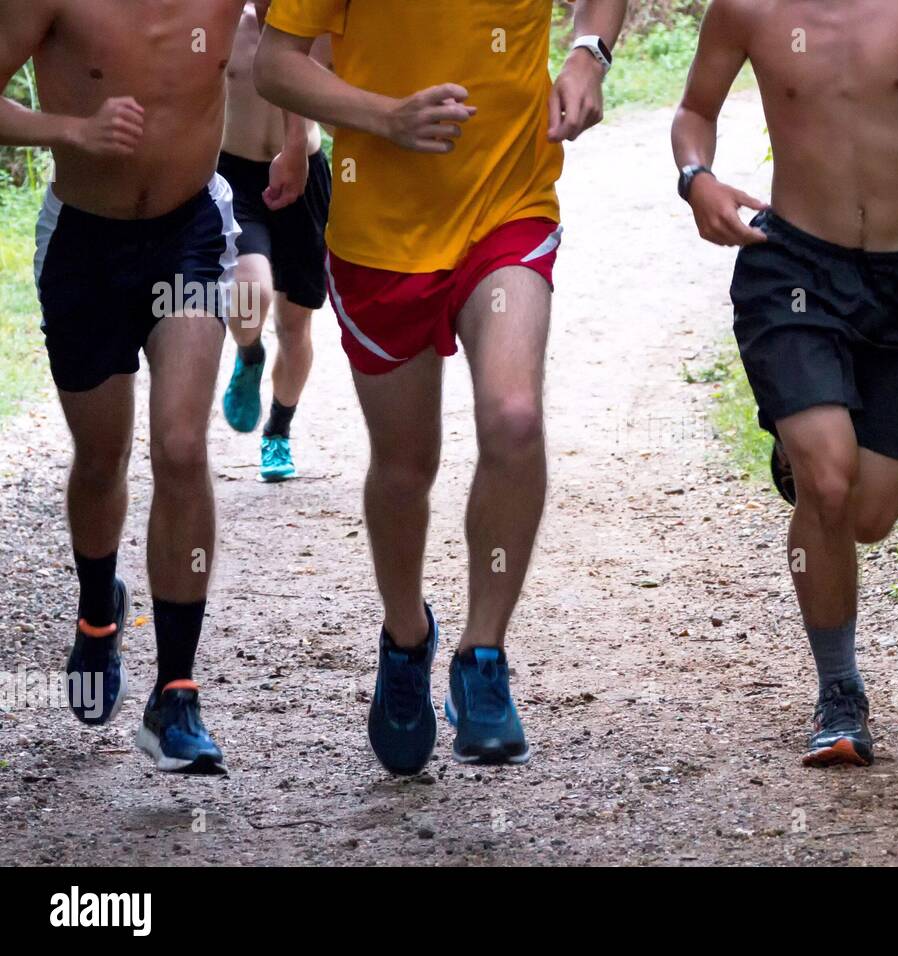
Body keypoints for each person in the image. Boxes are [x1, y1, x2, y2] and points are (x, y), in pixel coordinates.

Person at [254, 0, 627, 774]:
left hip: (508, 208)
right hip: (381, 239)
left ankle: (482, 655)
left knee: (515, 415)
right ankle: (405, 640)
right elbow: (276, 61)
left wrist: (589, 49)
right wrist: (386, 117)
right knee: (404, 468)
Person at [672, 0, 898, 766]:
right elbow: (693, 111)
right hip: (793, 270)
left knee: (871, 515)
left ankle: (813, 455)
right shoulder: (746, 8)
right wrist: (697, 178)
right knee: (831, 480)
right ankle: (840, 694)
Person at [0, 0, 250, 773]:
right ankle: (98, 613)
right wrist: (70, 130)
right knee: (101, 458)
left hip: (191, 237)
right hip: (84, 242)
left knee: (181, 446)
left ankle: (176, 692)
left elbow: (309, 35)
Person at [219, 1, 333, 482]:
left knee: (295, 324)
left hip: (305, 174)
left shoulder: (318, 21)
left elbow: (340, 87)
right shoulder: (223, 22)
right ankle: (248, 354)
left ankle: (278, 433)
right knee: (250, 292)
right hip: (238, 178)